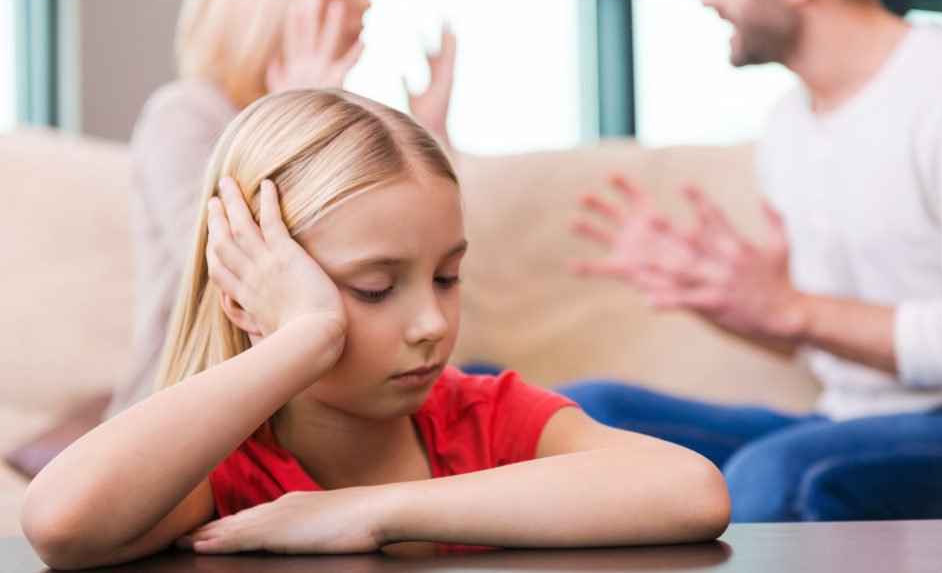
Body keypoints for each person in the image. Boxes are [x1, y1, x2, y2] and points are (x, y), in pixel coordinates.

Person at [20, 89, 730, 570]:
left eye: (447, 277)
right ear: (246, 298)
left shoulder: (484, 419)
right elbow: (59, 520)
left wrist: (368, 512)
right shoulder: (230, 471)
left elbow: (692, 489)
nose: (430, 323)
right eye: (374, 288)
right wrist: (306, 333)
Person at [564, 0, 942, 521]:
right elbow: (815, 333)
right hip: (844, 418)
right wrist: (729, 296)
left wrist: (793, 309)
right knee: (584, 417)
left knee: (779, 473)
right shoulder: (788, 124)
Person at [106, 0, 456, 418]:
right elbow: (231, 283)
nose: (365, 0)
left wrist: (432, 139)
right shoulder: (182, 115)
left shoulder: (358, 121)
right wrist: (296, 122)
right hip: (188, 418)